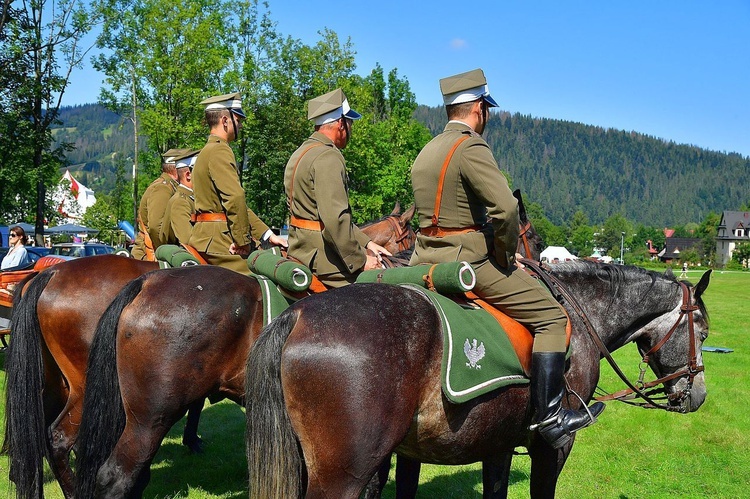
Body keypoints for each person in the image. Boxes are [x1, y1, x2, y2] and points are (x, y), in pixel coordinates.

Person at [409, 68, 604, 449]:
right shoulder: (471, 146)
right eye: (488, 110)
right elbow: (507, 210)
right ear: (479, 108)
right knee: (551, 318)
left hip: (422, 259)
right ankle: (550, 416)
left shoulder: (427, 150)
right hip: (469, 261)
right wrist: (503, 254)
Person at [284, 88, 391, 288]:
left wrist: (367, 242)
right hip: (322, 259)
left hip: (300, 249)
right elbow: (335, 220)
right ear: (341, 123)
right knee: (382, 287)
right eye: (350, 122)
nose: (351, 128)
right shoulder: (328, 156)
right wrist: (361, 260)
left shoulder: (301, 153)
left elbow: (314, 214)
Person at [188, 92, 287, 274]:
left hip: (206, 237)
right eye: (238, 120)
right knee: (271, 276)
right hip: (220, 242)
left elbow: (237, 205)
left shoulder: (206, 151)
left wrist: (267, 234)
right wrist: (242, 242)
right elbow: (234, 198)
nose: (240, 125)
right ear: (225, 120)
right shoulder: (220, 150)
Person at [131, 149, 188, 260]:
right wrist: (166, 253)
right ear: (176, 170)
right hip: (150, 258)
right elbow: (156, 227)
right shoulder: (163, 188)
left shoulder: (169, 186)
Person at [160, 149, 200, 247]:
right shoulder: (180, 202)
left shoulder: (189, 198)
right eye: (200, 171)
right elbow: (188, 240)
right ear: (188, 175)